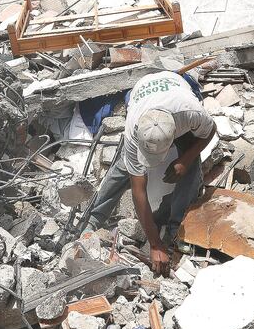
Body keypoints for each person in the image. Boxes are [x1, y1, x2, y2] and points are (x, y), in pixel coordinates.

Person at [86, 71, 216, 275]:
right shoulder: (133, 128)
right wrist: (154, 244)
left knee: (191, 168)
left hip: (176, 93)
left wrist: (185, 159)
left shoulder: (191, 114)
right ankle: (92, 220)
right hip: (144, 89)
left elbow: (210, 131)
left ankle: (176, 232)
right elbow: (139, 191)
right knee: (123, 169)